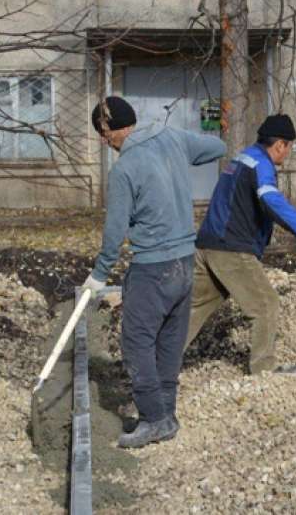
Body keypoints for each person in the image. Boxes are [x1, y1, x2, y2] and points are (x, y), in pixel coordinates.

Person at [81, 96, 227, 449]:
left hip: (153, 268)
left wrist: (100, 273)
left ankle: (153, 419)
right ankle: (167, 414)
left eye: (103, 134)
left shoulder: (124, 169)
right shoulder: (172, 137)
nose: (105, 142)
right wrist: (182, 155)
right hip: (185, 263)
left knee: (137, 342)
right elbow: (218, 147)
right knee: (169, 341)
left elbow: (115, 230)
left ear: (109, 130)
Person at [184, 114, 296, 375]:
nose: (287, 154)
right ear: (279, 144)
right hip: (231, 249)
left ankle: (155, 366)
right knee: (266, 304)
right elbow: (270, 199)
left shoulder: (242, 158)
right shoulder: (260, 164)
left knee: (195, 308)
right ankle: (263, 371)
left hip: (208, 244)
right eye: (289, 147)